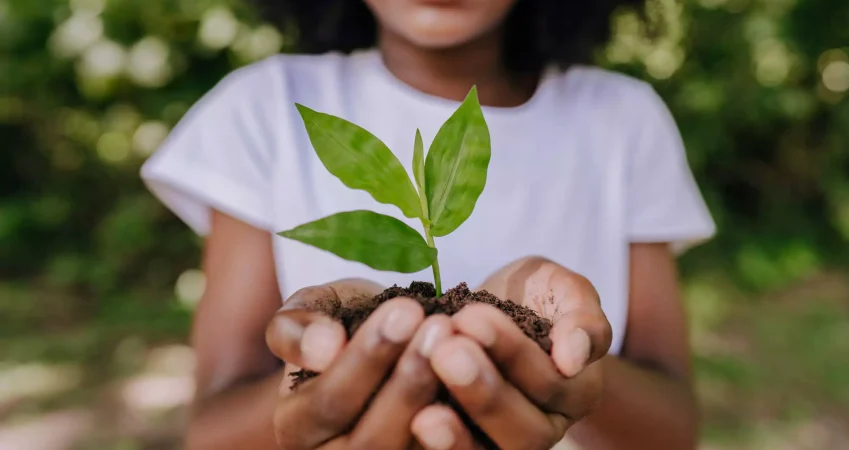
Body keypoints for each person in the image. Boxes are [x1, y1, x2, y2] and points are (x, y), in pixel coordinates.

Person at [140, 0, 716, 448]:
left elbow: (672, 430)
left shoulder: (622, 120)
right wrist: (335, 372)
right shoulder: (264, 109)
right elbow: (212, 433)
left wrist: (568, 363)